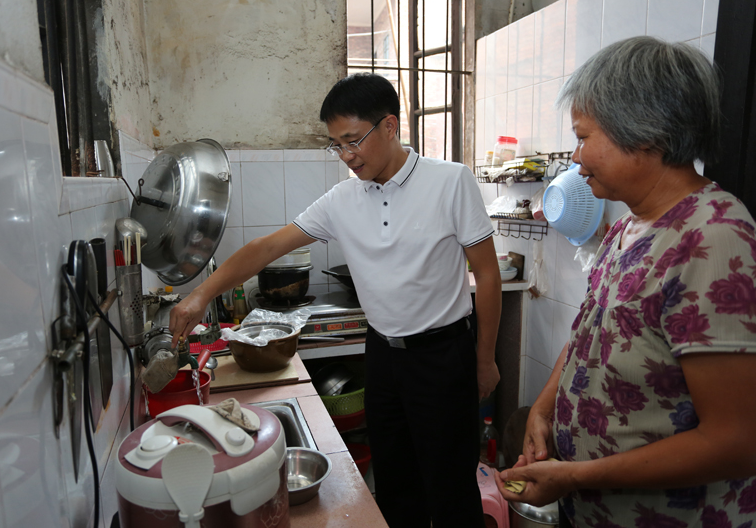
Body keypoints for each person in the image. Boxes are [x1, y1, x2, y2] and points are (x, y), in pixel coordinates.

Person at [170, 72, 503, 527]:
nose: (346, 155)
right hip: (383, 356)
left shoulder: (450, 181)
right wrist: (199, 295)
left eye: (353, 141)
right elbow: (267, 248)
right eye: (336, 145)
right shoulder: (343, 199)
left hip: (444, 357)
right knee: (395, 486)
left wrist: (484, 360)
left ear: (389, 126)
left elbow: (487, 274)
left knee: (451, 492)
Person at [494, 36, 756, 527]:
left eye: (583, 137)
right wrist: (544, 409)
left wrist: (574, 476)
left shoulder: (713, 239)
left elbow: (736, 441)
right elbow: (589, 334)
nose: (576, 158)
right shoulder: (627, 227)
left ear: (645, 134)